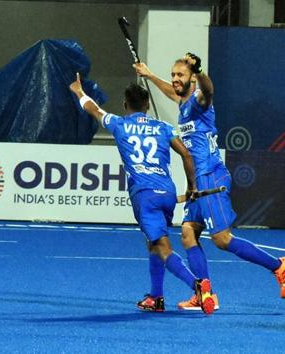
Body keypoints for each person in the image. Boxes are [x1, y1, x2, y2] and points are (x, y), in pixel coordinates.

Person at [134, 53, 285, 310]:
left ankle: (279, 267)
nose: (175, 80)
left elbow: (209, 89)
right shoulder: (183, 102)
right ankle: (205, 294)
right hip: (199, 181)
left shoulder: (200, 100)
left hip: (211, 176)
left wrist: (200, 71)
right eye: (173, 75)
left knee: (222, 239)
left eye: (180, 75)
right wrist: (149, 75)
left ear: (192, 78)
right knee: (188, 233)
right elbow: (171, 92)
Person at [70, 73, 215, 314]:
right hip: (167, 194)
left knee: (162, 246)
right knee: (153, 243)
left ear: (125, 105)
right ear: (148, 105)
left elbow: (93, 109)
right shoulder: (164, 128)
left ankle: (198, 287)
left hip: (144, 196)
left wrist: (78, 91)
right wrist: (191, 187)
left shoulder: (119, 123)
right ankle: (156, 297)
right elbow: (187, 155)